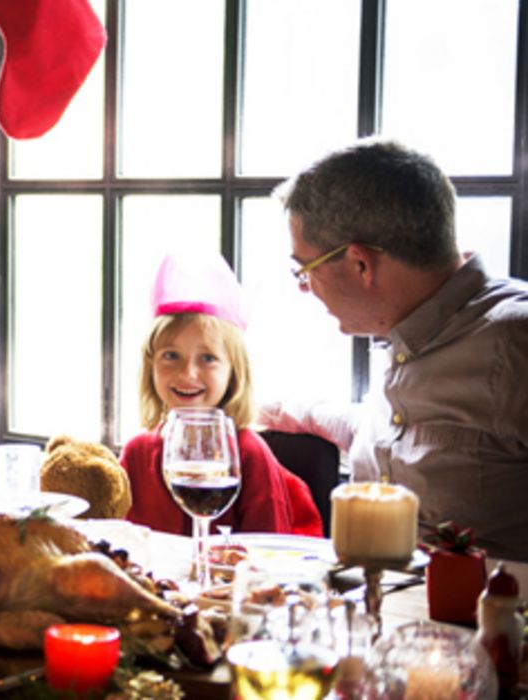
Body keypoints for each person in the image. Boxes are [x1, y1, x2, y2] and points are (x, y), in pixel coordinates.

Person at [264, 139, 528, 560]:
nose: (304, 287)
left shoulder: (515, 342)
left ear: (360, 264)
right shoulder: (410, 331)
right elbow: (419, 438)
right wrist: (262, 408)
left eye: (305, 270)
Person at [120, 253, 323, 537]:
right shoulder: (136, 453)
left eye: (207, 358)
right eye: (171, 355)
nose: (187, 373)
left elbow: (268, 555)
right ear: (150, 366)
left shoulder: (249, 453)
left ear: (234, 372)